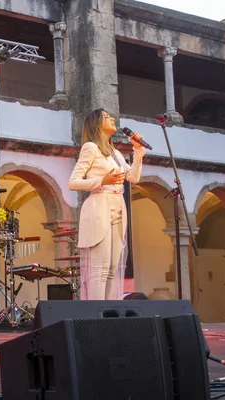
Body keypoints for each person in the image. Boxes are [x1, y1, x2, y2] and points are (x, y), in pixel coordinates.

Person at [68, 109, 146, 300]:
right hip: (99, 205)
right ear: (96, 124)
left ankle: (110, 314)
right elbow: (73, 182)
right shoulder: (90, 148)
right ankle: (96, 316)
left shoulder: (116, 153)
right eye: (107, 117)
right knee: (99, 269)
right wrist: (102, 181)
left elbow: (133, 177)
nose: (112, 118)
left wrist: (137, 150)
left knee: (112, 267)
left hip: (118, 206)